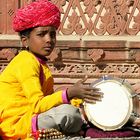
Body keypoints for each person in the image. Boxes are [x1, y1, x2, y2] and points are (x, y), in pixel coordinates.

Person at [0, 0, 103, 139]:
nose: (49, 40)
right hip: (17, 125)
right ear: (25, 41)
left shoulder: (40, 63)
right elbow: (38, 105)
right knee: (68, 114)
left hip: (32, 118)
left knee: (74, 109)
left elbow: (47, 102)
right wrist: (69, 93)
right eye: (41, 34)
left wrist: (76, 98)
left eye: (52, 34)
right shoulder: (25, 62)